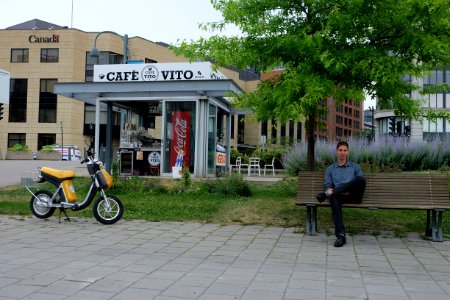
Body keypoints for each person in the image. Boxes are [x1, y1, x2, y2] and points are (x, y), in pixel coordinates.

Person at [316, 141, 366, 247]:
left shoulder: (355, 167)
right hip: (339, 196)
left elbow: (360, 182)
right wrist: (332, 191)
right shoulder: (330, 169)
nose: (342, 153)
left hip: (354, 195)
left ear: (348, 152)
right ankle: (341, 236)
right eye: (340, 150)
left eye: (345, 150)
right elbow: (328, 186)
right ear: (336, 152)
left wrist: (338, 190)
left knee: (360, 179)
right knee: (334, 197)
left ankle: (326, 195)